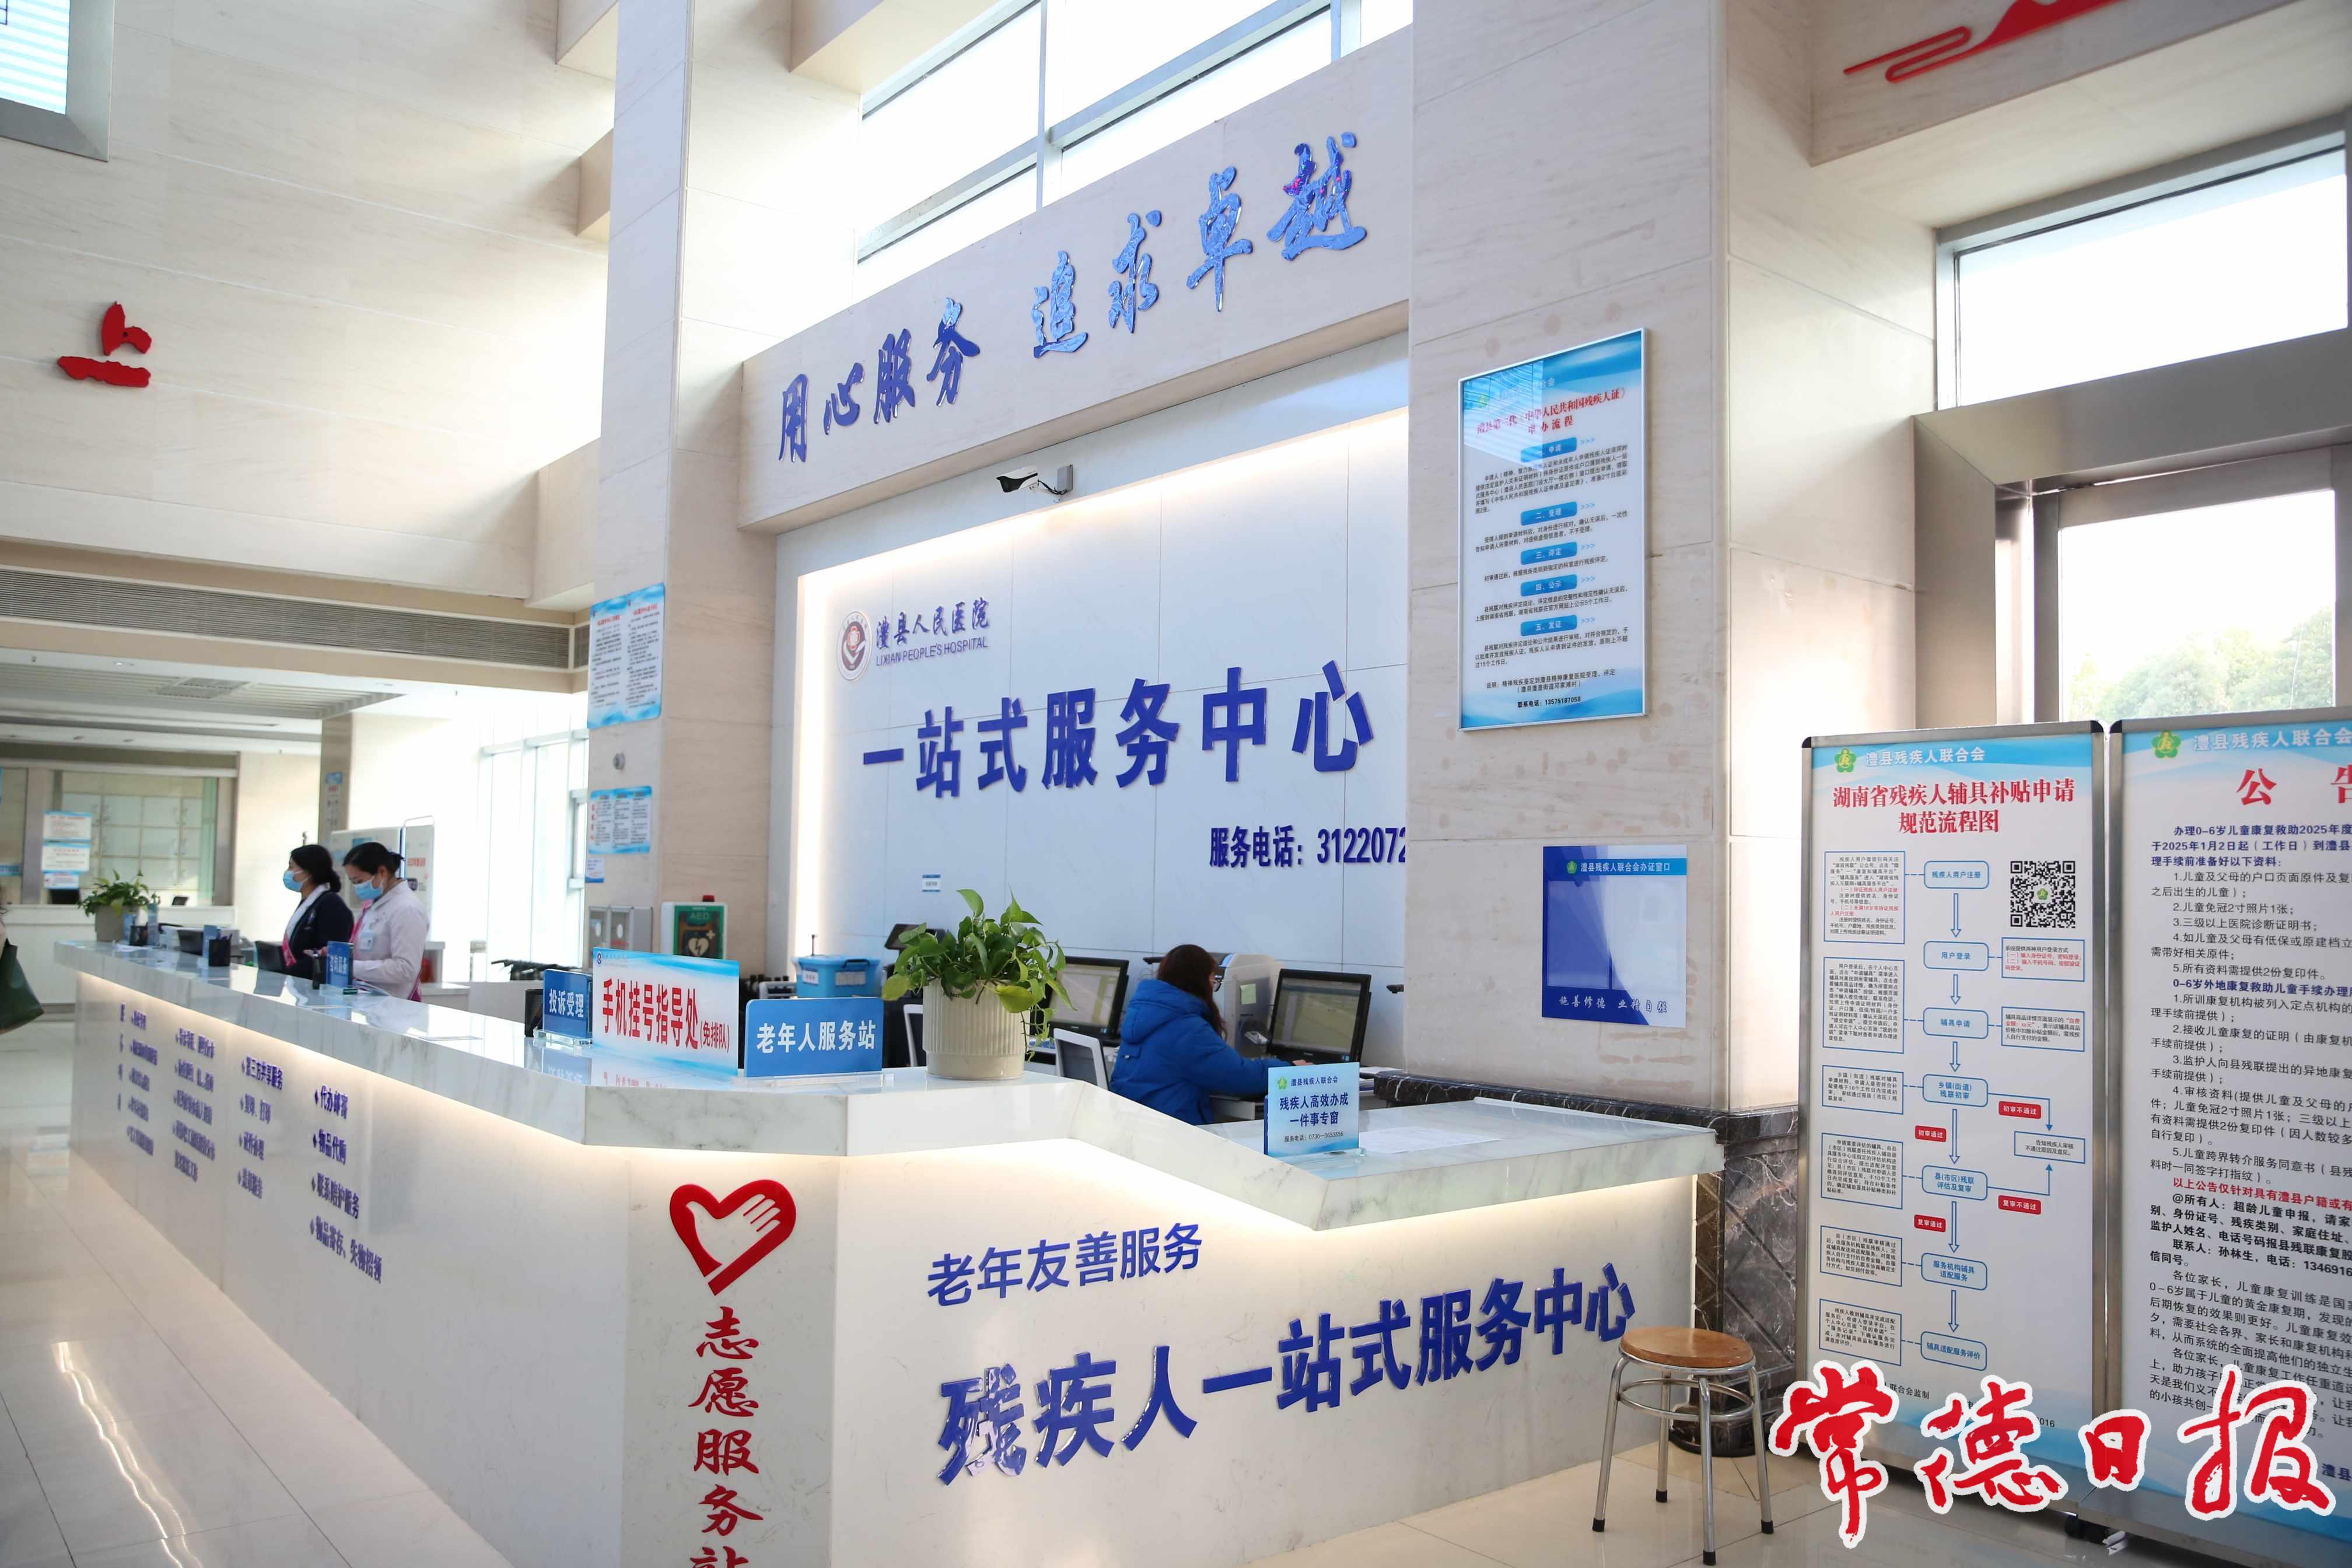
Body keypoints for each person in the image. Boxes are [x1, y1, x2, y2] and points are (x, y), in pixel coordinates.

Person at [1111, 944, 1291, 1125]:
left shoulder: (1143, 1016)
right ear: (1200, 982)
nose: (1213, 986)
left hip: (1135, 1126)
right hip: (1172, 1130)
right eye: (1213, 980)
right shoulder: (1186, 1028)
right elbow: (1239, 1077)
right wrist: (1289, 1068)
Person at [342, 841, 428, 1000]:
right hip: (369, 999)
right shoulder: (375, 904)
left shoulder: (407, 908)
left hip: (395, 1005)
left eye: (359, 881)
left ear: (382, 872)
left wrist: (351, 967)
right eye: (353, 883)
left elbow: (405, 969)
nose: (357, 888)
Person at [280, 842, 354, 982]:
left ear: (308, 872)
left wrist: (288, 974)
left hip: (316, 986)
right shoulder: (308, 902)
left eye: (291, 867)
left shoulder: (331, 905)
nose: (288, 872)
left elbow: (329, 956)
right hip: (299, 983)